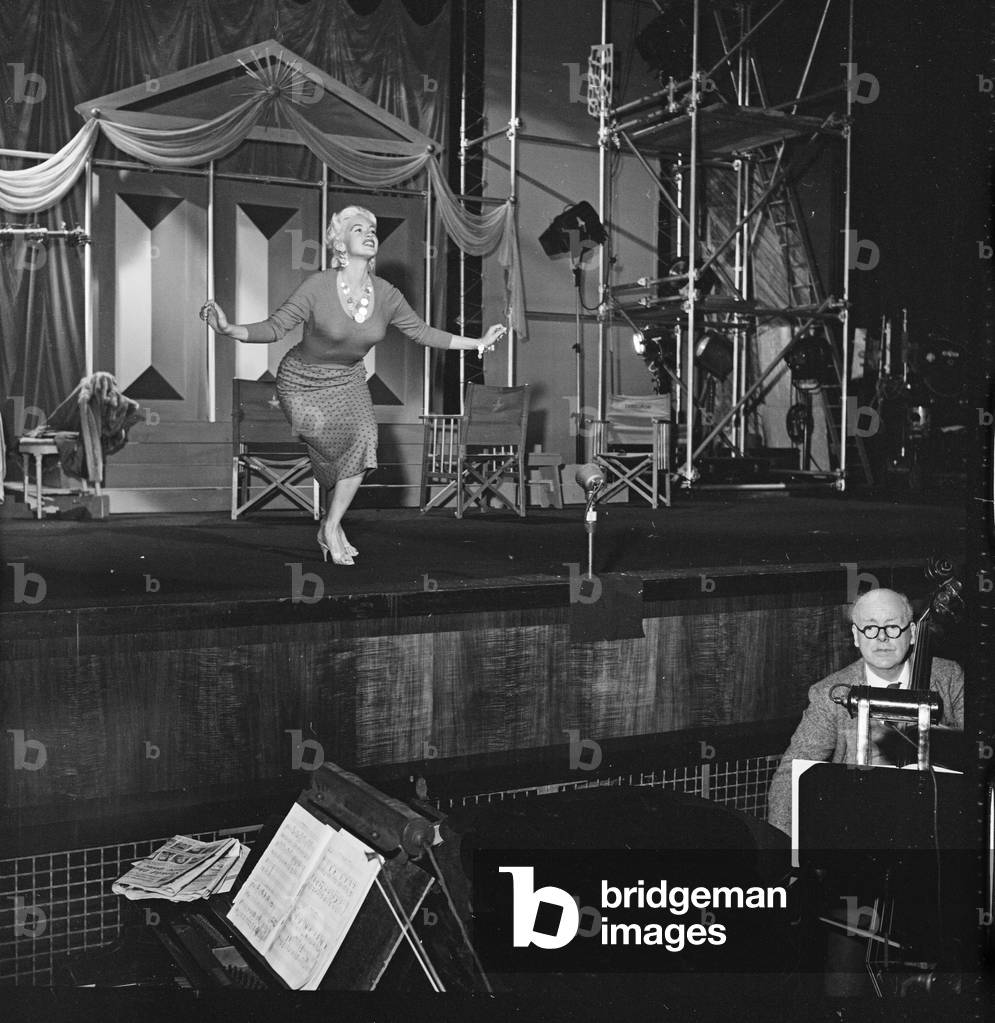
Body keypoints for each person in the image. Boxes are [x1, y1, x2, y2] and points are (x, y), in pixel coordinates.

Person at [200, 206, 506, 565]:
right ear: (340, 243)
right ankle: (333, 525)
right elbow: (276, 327)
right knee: (332, 450)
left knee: (363, 439)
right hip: (301, 382)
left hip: (348, 380)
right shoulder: (318, 286)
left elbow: (423, 333)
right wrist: (229, 330)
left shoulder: (387, 295)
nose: (369, 233)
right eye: (357, 228)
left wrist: (478, 342)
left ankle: (330, 525)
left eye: (372, 228)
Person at [767, 587, 964, 836]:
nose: (882, 638)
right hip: (858, 831)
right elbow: (791, 774)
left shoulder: (949, 677)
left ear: (913, 633)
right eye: (870, 628)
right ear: (856, 636)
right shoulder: (831, 693)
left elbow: (978, 753)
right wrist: (784, 856)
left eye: (893, 627)